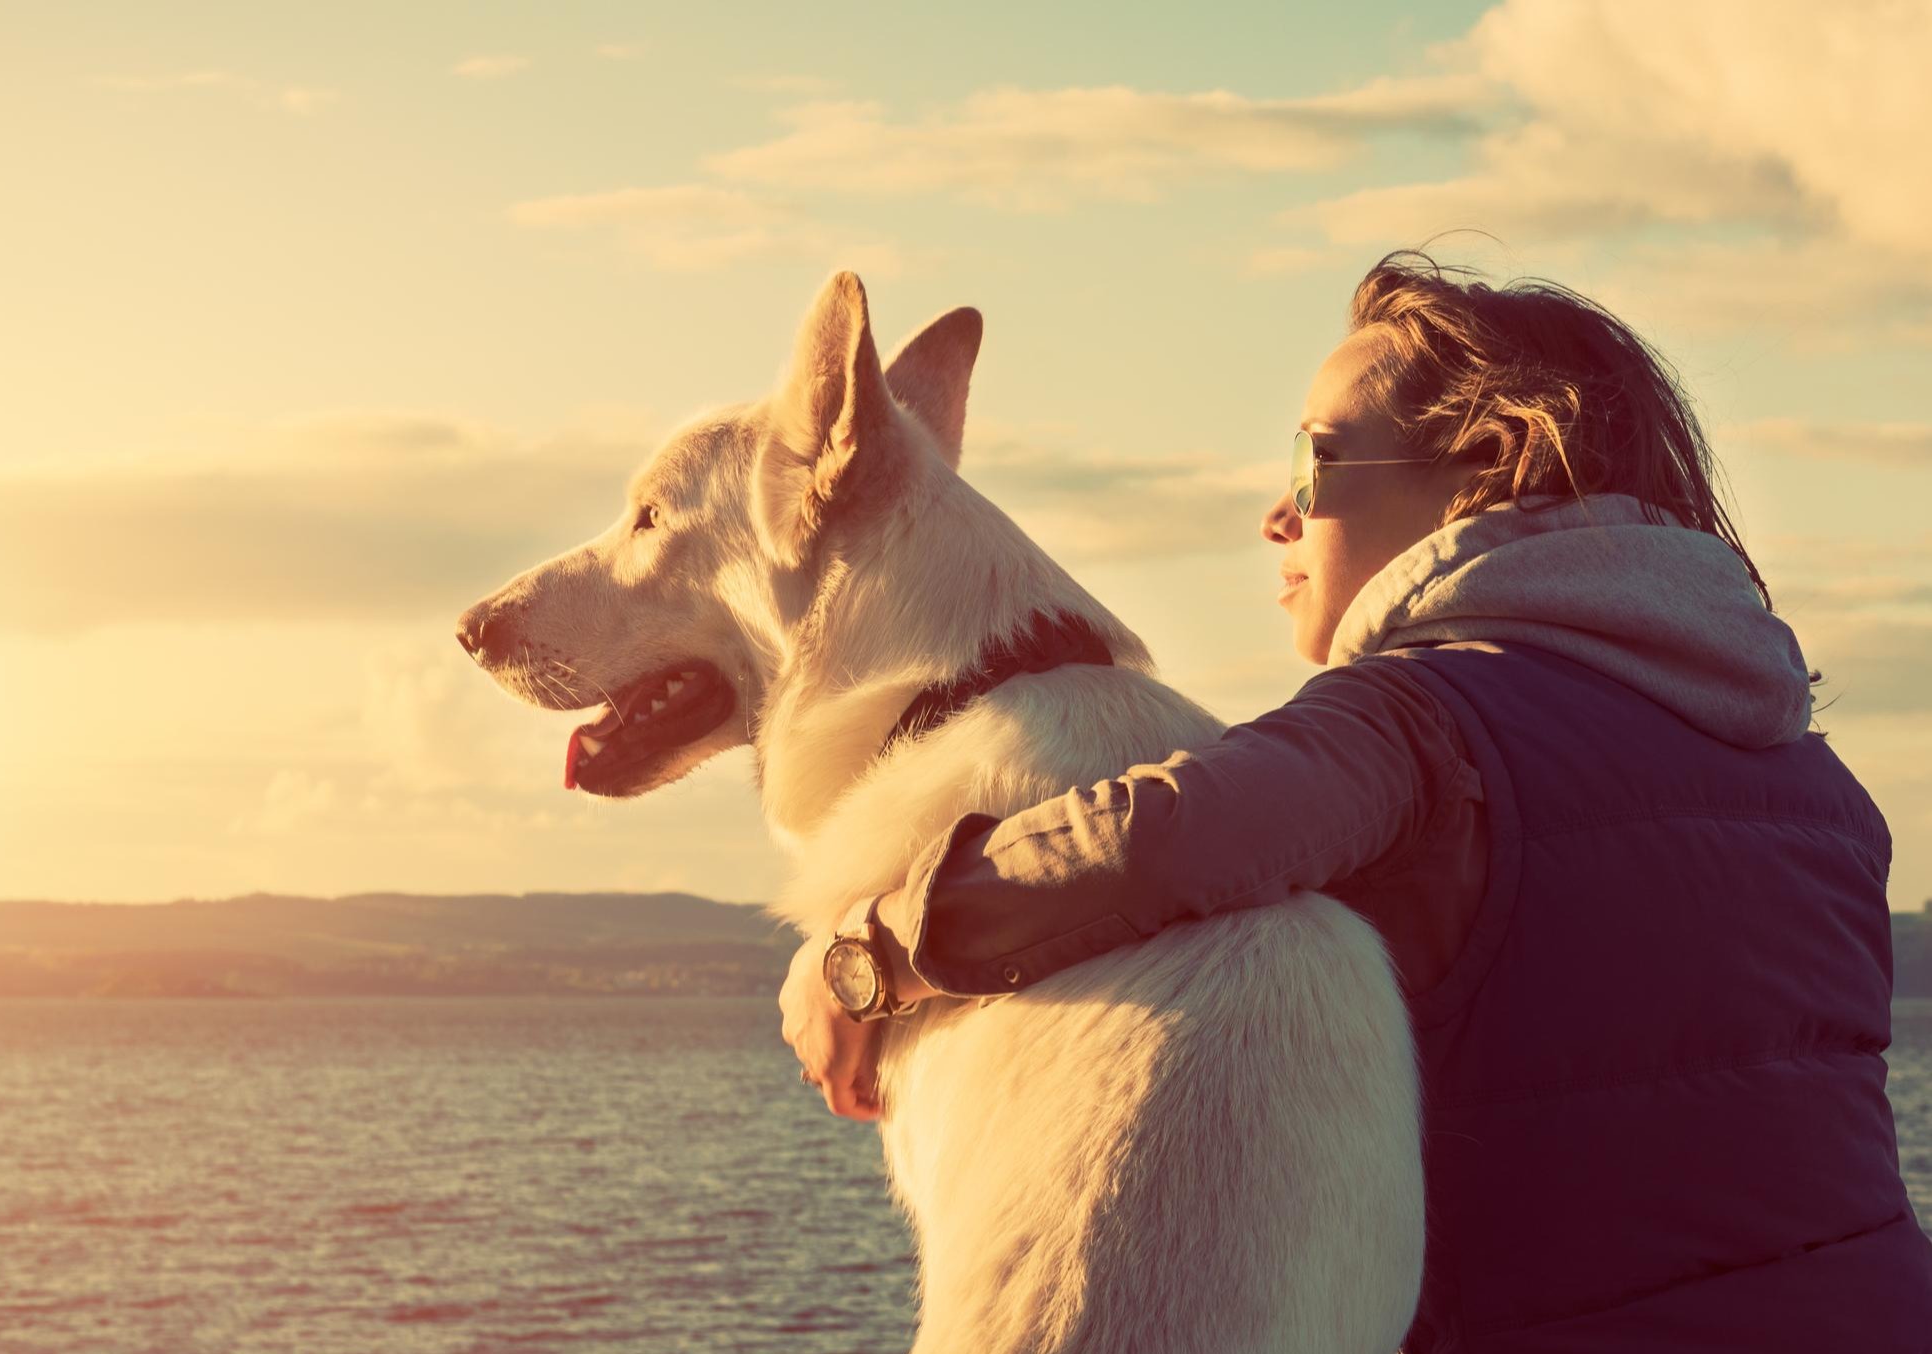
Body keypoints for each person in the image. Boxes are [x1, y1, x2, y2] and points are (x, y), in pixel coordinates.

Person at [779, 250, 1932, 1350]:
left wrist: (868, 950)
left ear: (1487, 462)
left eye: (1311, 467)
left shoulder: (1415, 722)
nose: (1274, 518)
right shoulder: (1814, 783)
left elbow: (1155, 837)